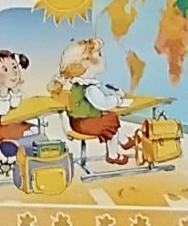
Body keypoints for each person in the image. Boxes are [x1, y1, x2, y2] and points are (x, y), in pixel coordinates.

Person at [55, 37, 131, 165]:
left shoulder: (75, 84)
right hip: (87, 124)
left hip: (77, 123)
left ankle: (125, 142)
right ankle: (114, 154)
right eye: (99, 54)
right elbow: (103, 103)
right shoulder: (88, 87)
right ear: (86, 62)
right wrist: (117, 99)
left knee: (109, 120)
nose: (103, 58)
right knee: (111, 119)